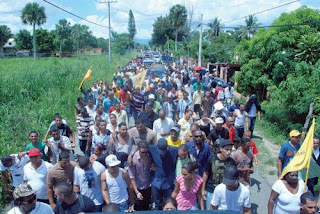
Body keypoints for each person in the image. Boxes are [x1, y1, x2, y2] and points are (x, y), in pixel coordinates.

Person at [202, 139, 236, 210]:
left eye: (230, 150)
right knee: (210, 210)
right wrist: (203, 189)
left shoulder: (232, 162)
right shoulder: (212, 159)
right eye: (227, 149)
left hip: (225, 191)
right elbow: (206, 173)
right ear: (221, 149)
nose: (229, 152)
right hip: (211, 190)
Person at [148, 138, 178, 210]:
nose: (162, 153)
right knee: (157, 204)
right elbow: (139, 146)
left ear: (167, 147)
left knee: (169, 204)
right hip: (156, 182)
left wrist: (191, 154)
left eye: (163, 151)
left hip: (168, 183)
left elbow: (185, 148)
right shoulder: (152, 148)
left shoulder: (174, 150)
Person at [128, 142, 152, 211]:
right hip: (138, 188)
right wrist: (137, 192)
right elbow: (132, 177)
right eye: (142, 152)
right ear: (138, 150)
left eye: (146, 152)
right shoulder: (133, 159)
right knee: (138, 209)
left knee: (147, 208)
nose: (144, 154)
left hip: (147, 186)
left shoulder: (149, 156)